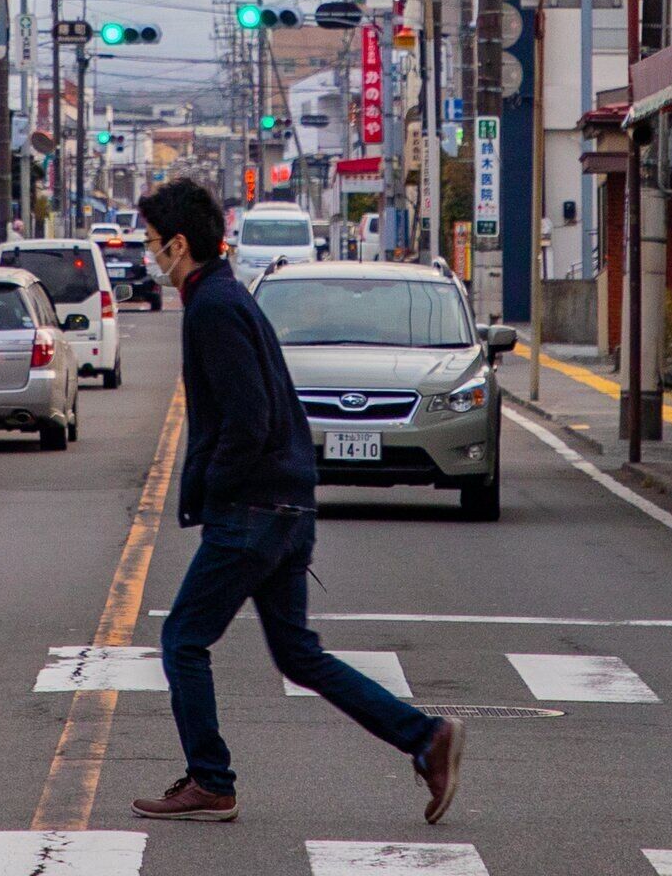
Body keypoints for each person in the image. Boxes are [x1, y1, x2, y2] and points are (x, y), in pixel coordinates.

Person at [129, 176, 464, 826]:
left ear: (178, 244)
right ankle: (426, 738)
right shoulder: (227, 296)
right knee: (298, 655)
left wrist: (216, 486)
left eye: (152, 243)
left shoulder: (213, 307)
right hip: (286, 505)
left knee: (183, 639)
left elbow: (248, 417)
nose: (150, 255)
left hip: (252, 511)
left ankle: (210, 780)